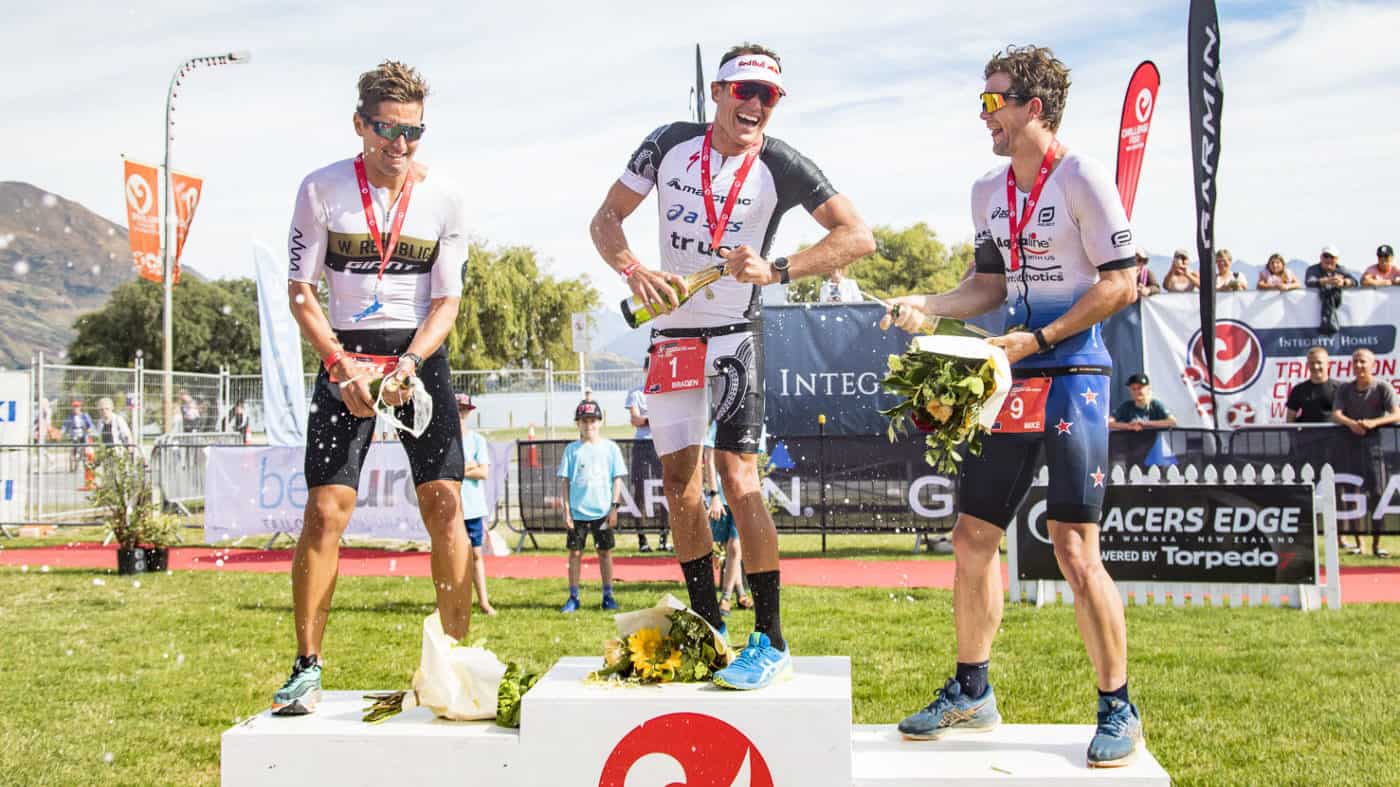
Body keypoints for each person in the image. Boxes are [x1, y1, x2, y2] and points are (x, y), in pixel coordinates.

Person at [882, 45, 1143, 767]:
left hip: (1073, 372)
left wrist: (1044, 337)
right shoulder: (987, 190)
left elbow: (1122, 282)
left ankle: (1118, 706)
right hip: (1010, 374)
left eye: (993, 101)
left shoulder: (1083, 176)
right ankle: (972, 690)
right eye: (983, 101)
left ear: (1035, 107)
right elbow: (989, 287)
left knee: (1073, 546)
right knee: (972, 537)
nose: (984, 115)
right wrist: (928, 305)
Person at [589, 42, 875, 689]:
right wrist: (633, 269)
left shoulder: (781, 162)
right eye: (744, 90)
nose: (755, 104)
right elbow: (605, 218)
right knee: (678, 483)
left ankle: (770, 638)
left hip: (735, 333)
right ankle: (709, 625)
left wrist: (778, 269)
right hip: (671, 333)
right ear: (718, 92)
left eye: (768, 95)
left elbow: (857, 235)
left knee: (739, 476)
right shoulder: (668, 143)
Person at [272, 60, 470, 716]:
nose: (400, 144)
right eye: (387, 129)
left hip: (417, 354)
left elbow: (447, 301)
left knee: (445, 502)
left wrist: (410, 363)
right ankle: (306, 667)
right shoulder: (321, 188)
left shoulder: (444, 197)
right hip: (345, 353)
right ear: (360, 125)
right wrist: (338, 365)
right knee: (325, 510)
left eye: (413, 131)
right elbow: (300, 291)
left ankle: (456, 661)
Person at [557, 399, 626, 612]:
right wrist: (566, 510)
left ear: (600, 422)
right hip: (577, 512)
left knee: (604, 552)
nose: (589, 425)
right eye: (584, 421)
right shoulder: (571, 450)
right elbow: (565, 482)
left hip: (602, 512)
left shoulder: (610, 449)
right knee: (575, 553)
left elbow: (617, 479)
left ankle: (608, 595)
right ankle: (573, 596)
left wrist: (614, 507)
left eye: (593, 421)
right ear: (578, 424)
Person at [1331, 348, 1400, 558]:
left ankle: (1377, 545)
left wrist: (1373, 423)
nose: (1359, 366)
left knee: (1377, 494)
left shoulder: (1382, 387)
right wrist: (1352, 424)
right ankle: (1359, 544)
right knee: (1352, 495)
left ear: (1372, 364)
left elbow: (1396, 414)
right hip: (1349, 447)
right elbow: (1336, 414)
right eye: (1355, 362)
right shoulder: (1344, 389)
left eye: (1363, 361)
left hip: (1374, 450)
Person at [703, 422, 751, 615]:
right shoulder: (718, 425)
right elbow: (709, 459)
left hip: (743, 497)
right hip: (721, 500)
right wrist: (714, 495)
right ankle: (741, 594)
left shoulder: (754, 423)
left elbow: (754, 464)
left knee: (735, 547)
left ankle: (725, 598)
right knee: (729, 550)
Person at [458, 394, 497, 615]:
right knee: (451, 557)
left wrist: (460, 470)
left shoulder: (477, 440)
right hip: (452, 507)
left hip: (472, 507)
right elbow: (444, 472)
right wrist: (468, 466)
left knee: (475, 555)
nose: (460, 413)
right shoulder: (446, 440)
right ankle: (452, 601)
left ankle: (483, 601)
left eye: (464, 409)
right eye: (457, 408)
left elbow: (483, 472)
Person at [625, 362, 668, 552]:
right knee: (640, 491)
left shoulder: (665, 392)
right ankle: (642, 540)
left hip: (661, 444)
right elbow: (636, 420)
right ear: (644, 371)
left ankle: (664, 538)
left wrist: (648, 419)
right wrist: (653, 419)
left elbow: (667, 418)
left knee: (665, 490)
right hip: (642, 445)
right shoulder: (635, 393)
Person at [1306, 246, 1358, 335]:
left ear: (1337, 259)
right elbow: (1309, 281)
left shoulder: (1341, 269)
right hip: (1314, 314)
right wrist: (1325, 281)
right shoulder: (1313, 269)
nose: (1328, 259)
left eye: (1332, 257)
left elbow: (1355, 281)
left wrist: (1344, 282)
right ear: (1321, 257)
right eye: (1326, 256)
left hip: (1340, 312)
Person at [1108, 374, 1175, 431]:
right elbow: (1109, 422)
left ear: (1148, 389)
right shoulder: (1126, 406)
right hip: (1132, 441)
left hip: (1153, 441)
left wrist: (1145, 423)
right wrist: (1129, 426)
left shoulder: (1155, 405)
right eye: (1133, 389)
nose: (1136, 392)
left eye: (1140, 388)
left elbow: (1172, 422)